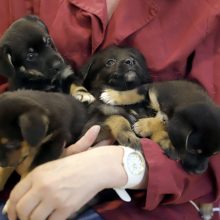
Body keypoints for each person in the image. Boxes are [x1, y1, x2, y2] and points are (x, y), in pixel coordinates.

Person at [0, 0, 220, 219]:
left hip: (138, 203)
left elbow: (212, 159)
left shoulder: (208, 11)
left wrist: (115, 166)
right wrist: (24, 154)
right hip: (26, 174)